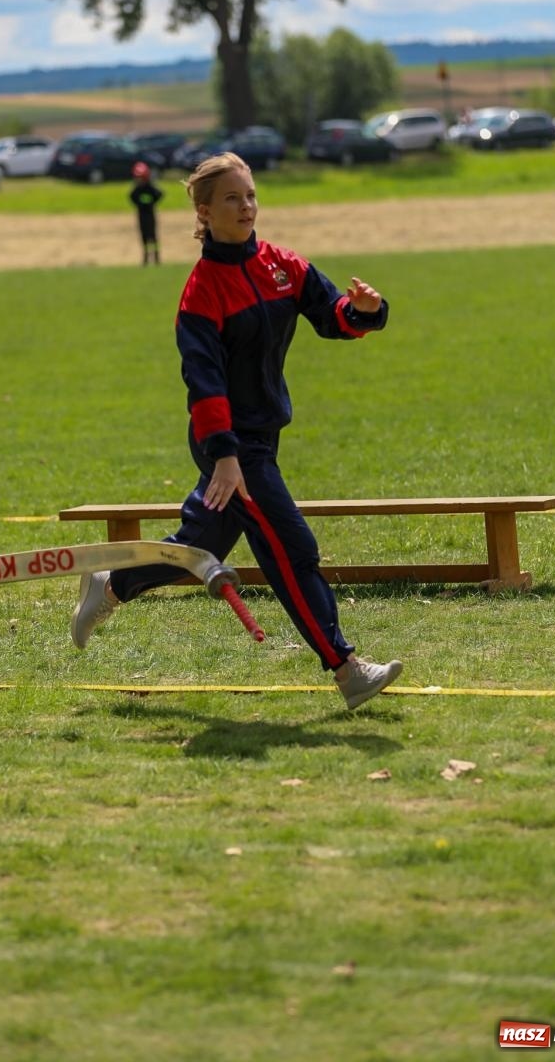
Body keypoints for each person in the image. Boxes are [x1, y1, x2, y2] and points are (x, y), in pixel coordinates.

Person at [72, 152, 402, 709]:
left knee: (200, 546)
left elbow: (331, 315)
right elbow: (203, 382)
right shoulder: (202, 291)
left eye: (250, 195)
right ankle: (347, 669)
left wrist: (365, 310)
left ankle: (113, 584)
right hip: (230, 445)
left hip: (260, 439)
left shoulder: (282, 265)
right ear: (204, 212)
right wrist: (225, 456)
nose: (246, 206)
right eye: (231, 198)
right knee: (292, 548)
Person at [129, 161, 163, 265]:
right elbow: (131, 197)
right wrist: (139, 204)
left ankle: (156, 257)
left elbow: (160, 194)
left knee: (153, 236)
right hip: (141, 215)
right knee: (144, 236)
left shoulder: (151, 188)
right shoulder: (137, 189)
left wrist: (151, 202)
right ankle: (146, 257)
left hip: (150, 215)